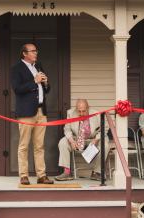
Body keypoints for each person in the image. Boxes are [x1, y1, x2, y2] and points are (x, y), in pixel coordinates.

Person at [11, 43, 53, 185]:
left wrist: (46, 83)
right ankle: (24, 175)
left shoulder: (38, 66)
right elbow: (17, 89)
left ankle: (41, 175)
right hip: (26, 113)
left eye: (36, 51)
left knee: (39, 146)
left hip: (41, 111)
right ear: (24, 53)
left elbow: (45, 90)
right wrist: (34, 81)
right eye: (33, 51)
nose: (36, 53)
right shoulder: (17, 69)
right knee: (24, 145)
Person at [55, 99, 110, 181]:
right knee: (63, 142)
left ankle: (96, 173)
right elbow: (67, 129)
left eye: (83, 111)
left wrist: (96, 139)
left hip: (92, 139)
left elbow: (105, 128)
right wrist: (72, 141)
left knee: (105, 145)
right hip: (77, 139)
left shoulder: (96, 114)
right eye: (79, 111)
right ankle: (67, 172)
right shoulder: (70, 113)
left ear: (88, 108)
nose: (81, 114)